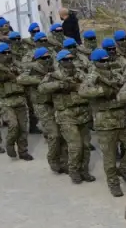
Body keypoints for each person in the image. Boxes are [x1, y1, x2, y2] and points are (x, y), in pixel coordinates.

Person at [79, 48, 126, 196]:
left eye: (107, 60)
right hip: (105, 124)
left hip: (123, 120)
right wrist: (102, 91)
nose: (106, 63)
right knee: (109, 157)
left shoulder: (115, 74)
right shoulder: (91, 77)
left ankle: (123, 169)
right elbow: (83, 91)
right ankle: (113, 183)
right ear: (96, 62)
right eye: (102, 61)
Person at [40, 51, 95, 184]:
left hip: (82, 114)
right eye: (65, 60)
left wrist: (78, 86)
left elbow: (90, 82)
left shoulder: (79, 73)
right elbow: (42, 87)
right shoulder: (54, 75)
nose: (69, 62)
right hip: (66, 116)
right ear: (60, 61)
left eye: (70, 58)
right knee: (75, 145)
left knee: (86, 145)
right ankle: (74, 170)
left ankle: (84, 170)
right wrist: (59, 85)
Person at [17, 47, 62, 171]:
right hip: (40, 104)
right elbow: (20, 79)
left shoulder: (53, 66)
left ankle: (63, 160)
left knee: (62, 133)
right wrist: (40, 80)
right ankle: (53, 159)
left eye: (48, 57)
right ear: (37, 59)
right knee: (54, 134)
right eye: (44, 58)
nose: (47, 60)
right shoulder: (32, 68)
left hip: (55, 102)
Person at [0, 43, 32, 160]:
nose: (7, 55)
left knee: (23, 127)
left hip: (19, 98)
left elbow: (25, 71)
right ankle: (10, 143)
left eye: (8, 52)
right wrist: (2, 76)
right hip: (5, 100)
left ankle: (23, 151)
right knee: (13, 125)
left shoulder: (15, 63)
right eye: (4, 53)